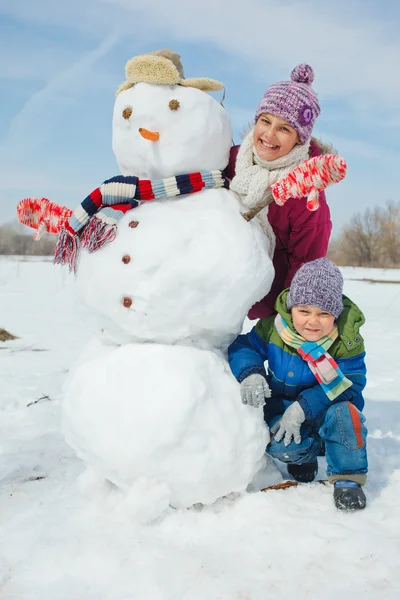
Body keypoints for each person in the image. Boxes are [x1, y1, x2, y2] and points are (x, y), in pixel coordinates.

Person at [228, 258, 368, 511]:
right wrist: (252, 373)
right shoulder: (274, 329)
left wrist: (305, 406)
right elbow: (244, 347)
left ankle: (348, 480)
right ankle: (306, 455)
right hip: (283, 406)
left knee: (345, 416)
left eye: (323, 313)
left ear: (335, 314)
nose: (312, 322)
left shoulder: (346, 341)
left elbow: (351, 383)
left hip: (329, 408)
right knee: (279, 443)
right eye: (304, 311)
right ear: (291, 308)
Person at [226, 64, 332, 320]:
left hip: (269, 302)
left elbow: (305, 267)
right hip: (218, 285)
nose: (269, 135)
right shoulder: (232, 160)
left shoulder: (306, 194)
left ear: (300, 138)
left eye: (284, 128)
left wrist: (286, 318)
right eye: (266, 121)